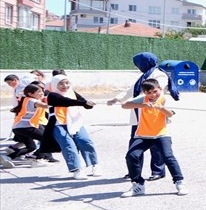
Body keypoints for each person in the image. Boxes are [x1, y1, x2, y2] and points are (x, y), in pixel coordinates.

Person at [108, 52, 178, 180]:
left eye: (138, 64)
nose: (137, 67)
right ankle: (134, 171)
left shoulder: (159, 75)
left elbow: (155, 92)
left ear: (144, 63)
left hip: (154, 115)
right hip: (140, 115)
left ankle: (158, 171)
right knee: (135, 145)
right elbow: (131, 90)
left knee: (157, 146)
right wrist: (117, 99)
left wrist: (137, 101)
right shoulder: (144, 76)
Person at [121, 80, 186, 196]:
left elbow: (170, 114)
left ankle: (179, 182)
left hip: (161, 134)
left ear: (160, 89)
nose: (153, 95)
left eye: (155, 91)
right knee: (131, 156)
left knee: (168, 157)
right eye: (149, 93)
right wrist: (142, 105)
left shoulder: (165, 99)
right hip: (142, 135)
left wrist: (161, 108)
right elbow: (124, 105)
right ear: (145, 92)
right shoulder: (142, 99)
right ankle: (138, 184)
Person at [46, 75, 98, 178]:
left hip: (75, 122)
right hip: (58, 123)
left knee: (85, 141)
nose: (65, 86)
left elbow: (85, 104)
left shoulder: (72, 93)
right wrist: (83, 102)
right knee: (68, 145)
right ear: (55, 84)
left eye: (67, 83)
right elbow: (66, 101)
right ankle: (77, 169)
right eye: (61, 83)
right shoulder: (52, 95)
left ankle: (95, 165)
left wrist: (89, 104)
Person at [9, 83, 48, 162]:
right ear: (30, 94)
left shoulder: (27, 99)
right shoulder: (32, 101)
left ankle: (8, 157)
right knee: (47, 140)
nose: (42, 93)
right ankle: (39, 159)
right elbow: (46, 106)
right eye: (39, 92)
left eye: (42, 91)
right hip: (25, 127)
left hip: (19, 128)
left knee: (31, 147)